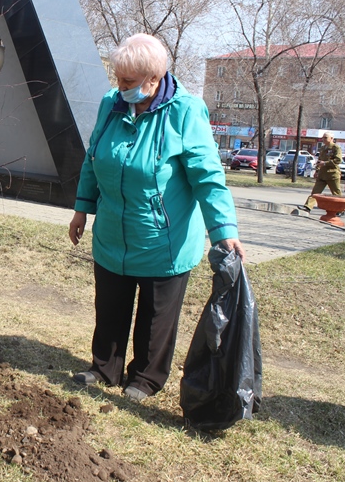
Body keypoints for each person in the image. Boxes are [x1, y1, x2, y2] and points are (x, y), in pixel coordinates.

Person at [67, 33, 245, 402]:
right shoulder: (111, 104)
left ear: (155, 78)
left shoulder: (186, 110)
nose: (120, 88)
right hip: (113, 233)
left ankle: (145, 378)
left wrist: (223, 229)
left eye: (128, 82)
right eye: (118, 79)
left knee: (155, 317)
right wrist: (82, 208)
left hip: (164, 238)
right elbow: (93, 157)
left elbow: (207, 176)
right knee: (110, 307)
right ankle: (105, 368)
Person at [297, 133, 343, 213]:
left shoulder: (336, 148)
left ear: (331, 138)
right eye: (323, 138)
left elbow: (338, 160)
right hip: (322, 174)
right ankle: (308, 207)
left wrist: (325, 163)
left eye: (326, 138)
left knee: (336, 192)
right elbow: (319, 160)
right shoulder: (323, 148)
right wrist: (317, 170)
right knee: (315, 192)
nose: (323, 139)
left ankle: (339, 210)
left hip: (332, 174)